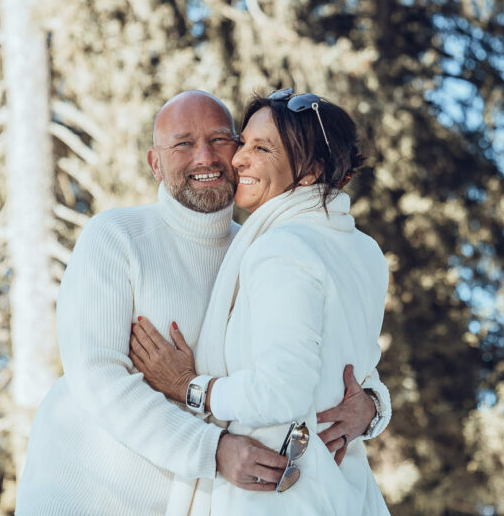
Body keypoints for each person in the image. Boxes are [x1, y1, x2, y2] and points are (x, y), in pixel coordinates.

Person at [15, 90, 388, 515]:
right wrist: (213, 451)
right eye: (183, 144)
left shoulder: (260, 249)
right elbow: (97, 378)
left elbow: (327, 352)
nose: (205, 157)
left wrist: (372, 408)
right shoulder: (117, 236)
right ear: (155, 163)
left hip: (186, 503)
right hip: (88, 496)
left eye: (220, 140)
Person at [131, 89, 391, 515]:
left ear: (310, 172)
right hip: (346, 491)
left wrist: (190, 388)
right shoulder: (363, 250)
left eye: (262, 148)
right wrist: (375, 406)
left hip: (277, 493)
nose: (237, 159)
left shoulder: (283, 248)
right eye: (244, 142)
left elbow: (281, 391)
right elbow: (348, 366)